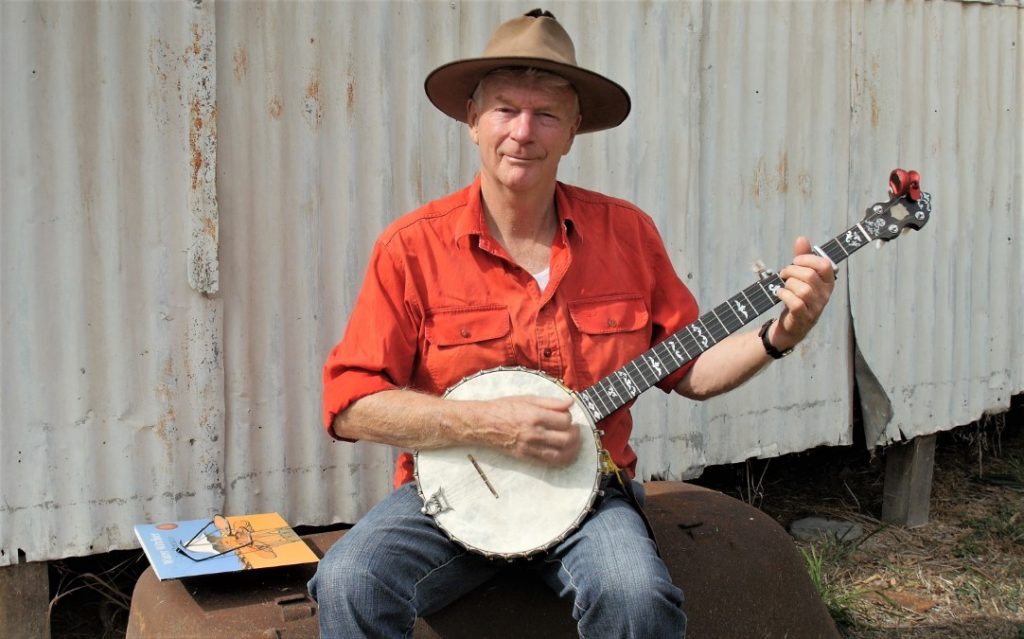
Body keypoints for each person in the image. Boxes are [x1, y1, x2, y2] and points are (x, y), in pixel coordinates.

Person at [308, 9, 835, 638]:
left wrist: (782, 335)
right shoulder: (411, 249)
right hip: (449, 501)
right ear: (472, 120)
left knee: (635, 595)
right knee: (349, 580)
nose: (523, 132)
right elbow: (350, 405)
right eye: (505, 109)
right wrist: (482, 424)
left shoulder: (627, 234)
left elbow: (690, 369)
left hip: (592, 497)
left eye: (546, 115)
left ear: (573, 130)